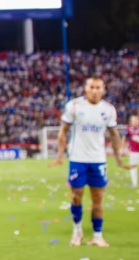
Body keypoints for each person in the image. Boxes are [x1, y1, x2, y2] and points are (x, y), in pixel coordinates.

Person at [49, 77, 126, 247]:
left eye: (98, 87)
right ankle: (77, 231)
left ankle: (97, 236)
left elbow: (114, 135)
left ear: (103, 89)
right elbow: (63, 131)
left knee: (97, 198)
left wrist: (118, 159)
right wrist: (60, 155)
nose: (95, 91)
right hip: (77, 159)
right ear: (86, 88)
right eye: (92, 87)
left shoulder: (109, 109)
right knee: (76, 196)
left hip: (98, 160)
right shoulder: (74, 106)